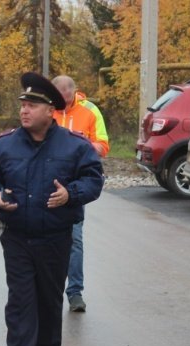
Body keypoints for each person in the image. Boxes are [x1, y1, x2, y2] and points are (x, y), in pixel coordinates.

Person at [0, 72, 104, 346]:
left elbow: (93, 180)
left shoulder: (74, 146)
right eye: (23, 104)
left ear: (50, 111)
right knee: (20, 296)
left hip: (56, 236)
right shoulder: (2, 146)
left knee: (49, 294)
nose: (24, 110)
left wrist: (70, 194)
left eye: (32, 105)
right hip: (17, 235)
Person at [51, 75, 110, 313]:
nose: (63, 98)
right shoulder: (47, 109)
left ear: (74, 91)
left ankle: (75, 292)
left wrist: (82, 145)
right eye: (59, 94)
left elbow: (103, 146)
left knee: (74, 239)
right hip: (47, 183)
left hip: (76, 185)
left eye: (67, 93)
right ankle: (48, 289)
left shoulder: (90, 111)